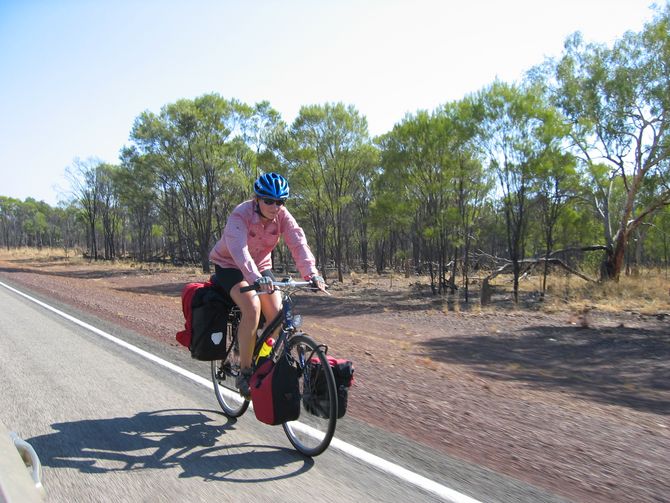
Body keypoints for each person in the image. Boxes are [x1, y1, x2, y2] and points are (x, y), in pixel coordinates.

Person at [209, 172, 326, 398]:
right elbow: (240, 252)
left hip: (261, 265)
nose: (275, 206)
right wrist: (255, 280)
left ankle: (261, 359)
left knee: (277, 314)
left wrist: (312, 274)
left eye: (280, 201)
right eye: (269, 200)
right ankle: (244, 372)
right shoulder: (240, 215)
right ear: (257, 199)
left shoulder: (282, 216)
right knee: (252, 307)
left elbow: (298, 242)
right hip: (229, 265)